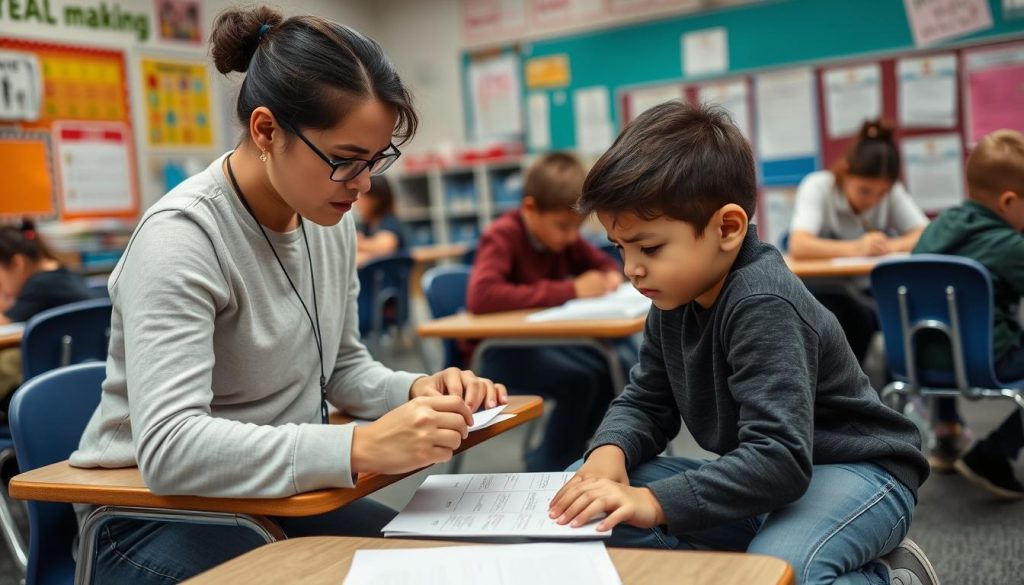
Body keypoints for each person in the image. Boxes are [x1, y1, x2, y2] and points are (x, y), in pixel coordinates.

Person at [69, 7, 506, 582]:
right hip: (149, 519)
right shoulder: (181, 237)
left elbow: (343, 367)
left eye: (375, 161)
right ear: (266, 131)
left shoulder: (327, 218)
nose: (364, 184)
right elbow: (171, 447)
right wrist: (358, 447)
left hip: (275, 500)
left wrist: (420, 389)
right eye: (345, 161)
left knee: (441, 568)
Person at [549, 102, 937, 585]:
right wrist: (609, 452)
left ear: (728, 229)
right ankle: (752, 546)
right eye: (619, 248)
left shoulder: (763, 302)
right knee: (581, 499)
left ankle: (890, 578)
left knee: (774, 573)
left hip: (859, 473)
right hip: (771, 482)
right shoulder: (673, 297)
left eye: (649, 248)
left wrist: (654, 503)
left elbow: (779, 458)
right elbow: (647, 401)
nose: (631, 269)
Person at [467, 152, 624, 472]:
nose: (571, 237)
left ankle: (578, 456)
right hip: (498, 354)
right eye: (564, 227)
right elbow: (482, 297)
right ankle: (549, 465)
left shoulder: (561, 238)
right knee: (580, 381)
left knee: (607, 367)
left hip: (542, 343)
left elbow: (603, 263)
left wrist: (608, 275)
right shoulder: (503, 235)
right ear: (529, 209)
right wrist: (572, 289)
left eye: (576, 229)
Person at [912, 129, 1024, 497]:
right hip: (984, 363)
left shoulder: (936, 227)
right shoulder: (1010, 245)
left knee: (948, 324)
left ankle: (946, 435)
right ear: (1009, 202)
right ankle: (991, 456)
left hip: (921, 362)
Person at [789, 121, 929, 364]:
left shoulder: (891, 190)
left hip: (869, 289)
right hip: (825, 291)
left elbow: (926, 233)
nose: (873, 201)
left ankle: (895, 388)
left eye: (881, 194)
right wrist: (857, 248)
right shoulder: (818, 186)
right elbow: (799, 245)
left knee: (904, 317)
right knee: (848, 319)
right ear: (844, 172)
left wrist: (891, 246)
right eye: (864, 191)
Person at [0, 220, 93, 404]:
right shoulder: (64, 274)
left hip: (49, 382)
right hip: (83, 379)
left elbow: (4, 322)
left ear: (17, 263)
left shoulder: (38, 286)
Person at [355, 175, 406, 264]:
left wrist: (356, 243)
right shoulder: (365, 225)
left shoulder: (389, 221)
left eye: (363, 195)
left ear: (376, 199)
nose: (357, 200)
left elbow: (386, 246)